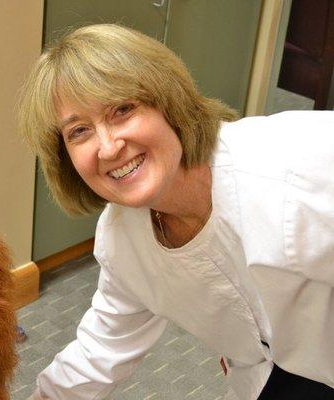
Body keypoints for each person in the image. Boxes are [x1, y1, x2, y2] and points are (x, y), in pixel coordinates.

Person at [17, 24, 334, 400]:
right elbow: (101, 348)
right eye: (79, 131)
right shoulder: (122, 238)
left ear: (169, 102)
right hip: (277, 369)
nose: (107, 147)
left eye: (122, 109)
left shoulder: (301, 160)